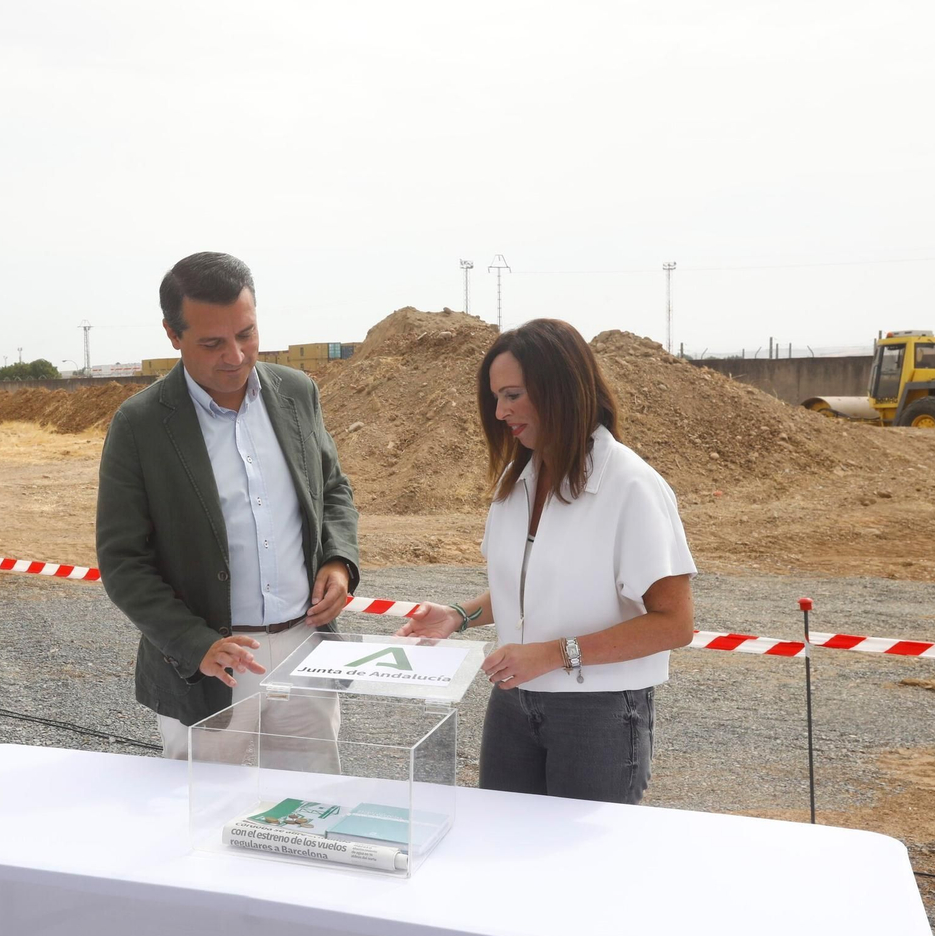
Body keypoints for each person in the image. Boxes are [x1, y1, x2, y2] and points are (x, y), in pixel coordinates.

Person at [397, 319, 695, 804]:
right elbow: (525, 587)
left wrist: (554, 654)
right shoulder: (517, 483)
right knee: (506, 847)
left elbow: (674, 624)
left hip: (597, 716)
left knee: (582, 869)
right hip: (514, 703)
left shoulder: (632, 487)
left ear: (559, 389)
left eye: (512, 395)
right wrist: (458, 616)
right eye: (496, 398)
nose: (500, 412)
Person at [97, 252, 360, 764]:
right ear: (173, 335)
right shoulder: (140, 425)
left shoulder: (297, 393)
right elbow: (124, 562)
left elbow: (332, 491)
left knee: (309, 814)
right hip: (210, 667)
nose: (236, 356)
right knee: (201, 826)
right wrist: (195, 643)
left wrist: (338, 561)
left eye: (246, 334)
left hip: (306, 652)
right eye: (212, 342)